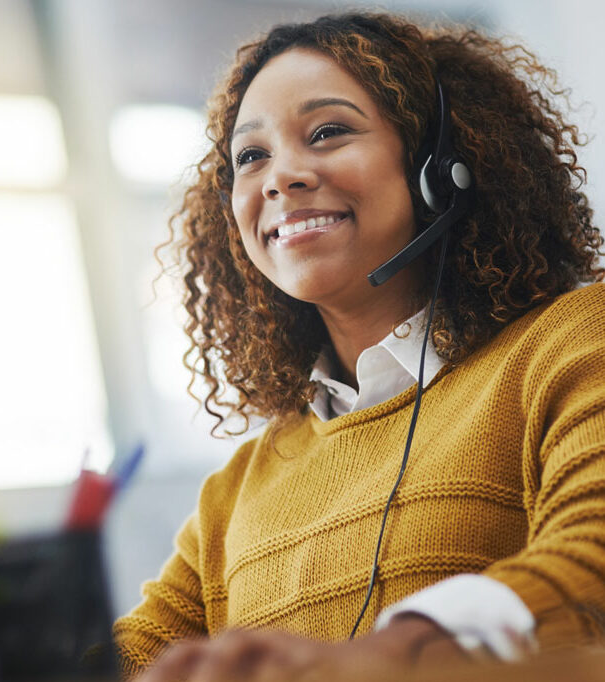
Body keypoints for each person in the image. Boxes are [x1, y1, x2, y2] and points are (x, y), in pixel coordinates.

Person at [113, 11, 605, 682]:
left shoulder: (573, 341)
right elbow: (131, 658)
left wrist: (393, 655)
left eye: (328, 132)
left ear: (443, 166)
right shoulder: (236, 491)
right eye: (251, 156)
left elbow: (592, 565)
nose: (281, 177)